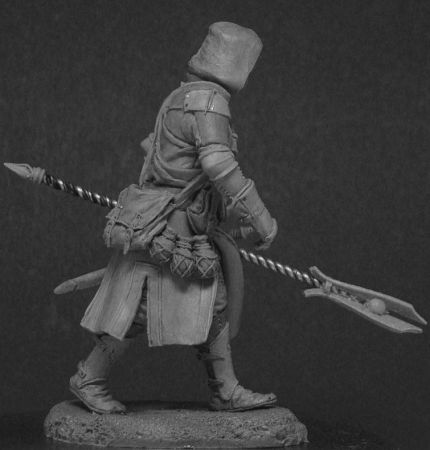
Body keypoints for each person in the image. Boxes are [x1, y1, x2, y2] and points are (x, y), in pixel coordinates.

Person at [69, 22, 278, 415]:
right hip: (170, 227)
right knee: (138, 308)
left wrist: (231, 218)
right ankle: (89, 377)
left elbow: (188, 172)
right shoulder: (208, 101)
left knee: (212, 302)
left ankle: (225, 389)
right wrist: (262, 216)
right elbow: (218, 165)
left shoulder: (180, 96)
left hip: (181, 222)